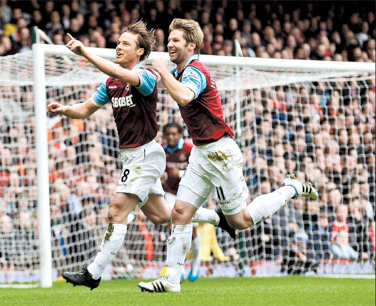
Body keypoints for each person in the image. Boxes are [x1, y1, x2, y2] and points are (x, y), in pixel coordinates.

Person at [138, 18, 318, 293]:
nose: (170, 44)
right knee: (180, 212)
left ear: (191, 45)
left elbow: (184, 96)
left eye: (176, 40)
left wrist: (161, 70)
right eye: (169, 40)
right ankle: (172, 279)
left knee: (241, 221)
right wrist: (131, 73)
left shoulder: (196, 70)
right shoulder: (179, 71)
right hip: (200, 152)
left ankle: (290, 189)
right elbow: (157, 86)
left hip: (221, 153)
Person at [48, 20, 223, 291]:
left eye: (125, 43)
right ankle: (216, 217)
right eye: (118, 42)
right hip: (130, 157)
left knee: (116, 210)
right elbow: (84, 109)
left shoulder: (146, 76)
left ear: (140, 52)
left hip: (146, 155)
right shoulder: (111, 83)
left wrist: (85, 52)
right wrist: (63, 110)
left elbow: (119, 72)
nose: (118, 46)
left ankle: (93, 273)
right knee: (162, 215)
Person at [161, 122, 202, 282]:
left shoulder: (189, 149)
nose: (171, 137)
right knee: (173, 228)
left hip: (191, 193)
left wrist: (179, 173)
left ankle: (196, 263)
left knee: (192, 232)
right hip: (171, 193)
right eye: (168, 134)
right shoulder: (162, 150)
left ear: (179, 135)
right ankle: (178, 268)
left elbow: (199, 172)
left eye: (174, 134)